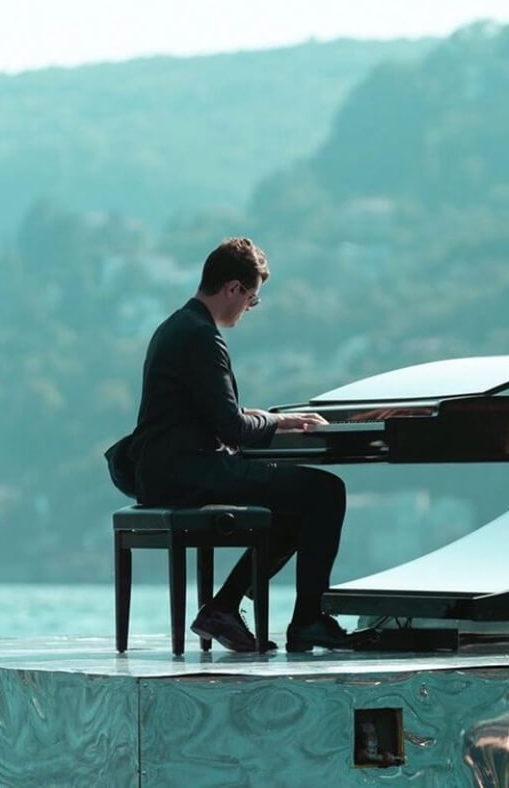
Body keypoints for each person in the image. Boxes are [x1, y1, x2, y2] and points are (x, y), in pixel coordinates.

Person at [105, 237, 363, 653]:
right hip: (189, 472)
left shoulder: (174, 326)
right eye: (251, 300)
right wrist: (280, 420)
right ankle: (308, 620)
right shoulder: (203, 338)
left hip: (163, 472)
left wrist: (262, 418)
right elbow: (232, 429)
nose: (248, 309)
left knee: (296, 504)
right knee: (325, 491)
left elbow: (210, 413)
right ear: (233, 289)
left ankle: (225, 607)